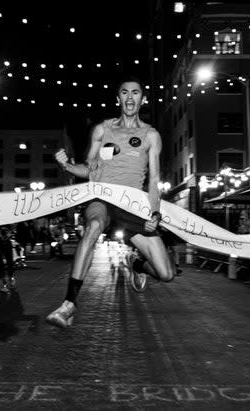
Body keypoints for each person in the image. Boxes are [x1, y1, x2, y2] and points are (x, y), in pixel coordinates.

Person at [46, 76, 175, 328]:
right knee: (93, 226)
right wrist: (66, 165)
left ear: (142, 99)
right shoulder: (102, 130)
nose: (129, 97)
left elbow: (155, 179)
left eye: (135, 92)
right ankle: (69, 304)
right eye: (124, 93)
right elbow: (89, 170)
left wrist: (154, 214)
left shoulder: (151, 135)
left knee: (166, 274)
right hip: (102, 199)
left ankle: (135, 262)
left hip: (132, 204)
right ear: (118, 99)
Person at [0, 225, 16, 293]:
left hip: (6, 241)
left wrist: (8, 234)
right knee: (0, 263)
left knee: (9, 261)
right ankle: (4, 284)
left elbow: (11, 228)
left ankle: (11, 279)